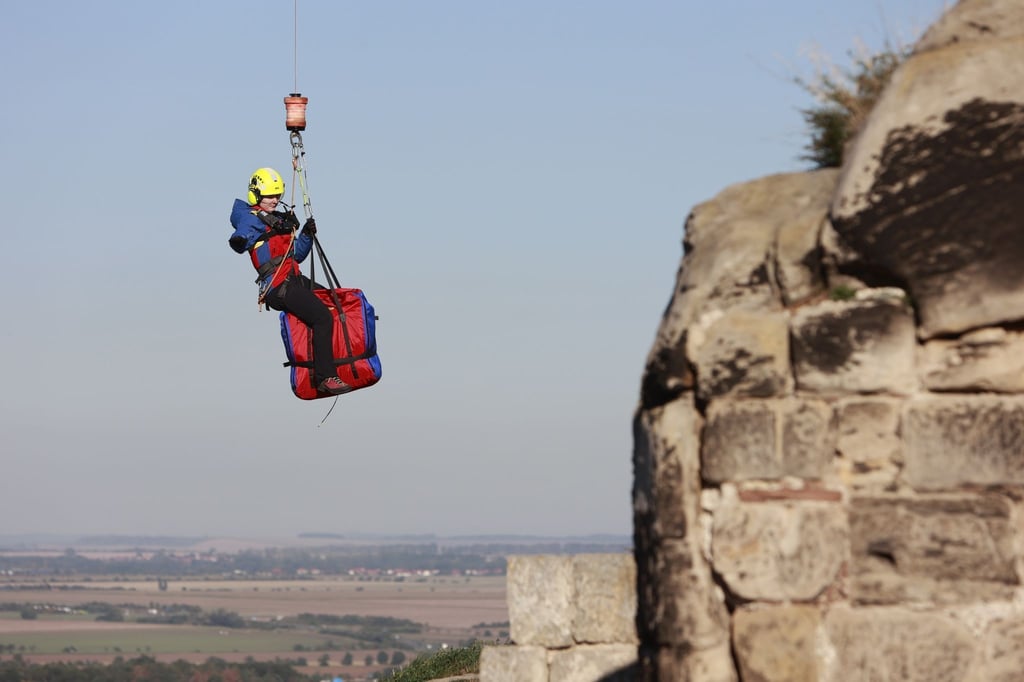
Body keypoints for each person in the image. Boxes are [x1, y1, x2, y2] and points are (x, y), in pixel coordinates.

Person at [228, 167, 349, 395]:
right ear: (256, 195)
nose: (274, 200)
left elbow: (297, 255)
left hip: (294, 279)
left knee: (335, 304)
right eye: (269, 196)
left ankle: (339, 362)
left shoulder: (279, 219)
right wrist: (239, 240)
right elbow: (242, 233)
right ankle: (325, 378)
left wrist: (305, 234)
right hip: (278, 287)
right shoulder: (250, 219)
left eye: (277, 195)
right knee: (322, 316)